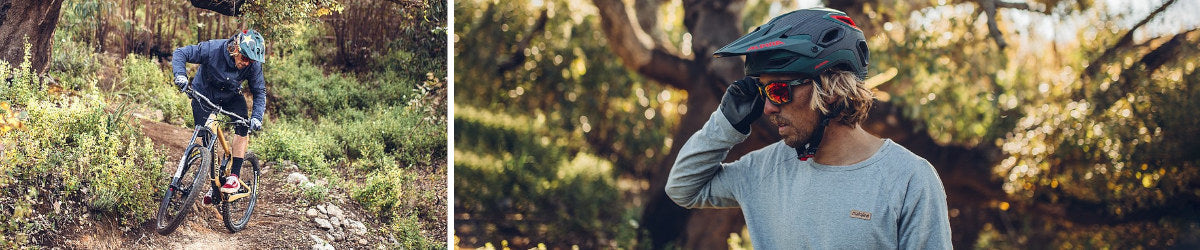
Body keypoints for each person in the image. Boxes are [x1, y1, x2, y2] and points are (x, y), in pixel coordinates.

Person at [665, 7, 951, 249]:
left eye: (778, 90)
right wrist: (725, 123)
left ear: (832, 89)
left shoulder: (909, 179)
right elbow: (682, 189)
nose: (767, 108)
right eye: (763, 92)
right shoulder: (763, 169)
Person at [171, 29, 267, 203]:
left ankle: (234, 177)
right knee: (208, 141)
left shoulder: (252, 65)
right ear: (236, 48)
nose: (247, 63)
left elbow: (259, 91)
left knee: (242, 126)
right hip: (204, 95)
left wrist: (257, 117)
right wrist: (180, 76)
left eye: (251, 60)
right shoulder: (212, 49)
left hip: (231, 96)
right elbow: (181, 53)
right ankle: (215, 185)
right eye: (245, 58)